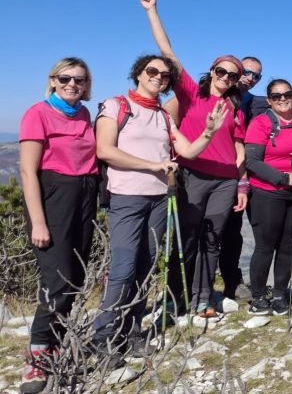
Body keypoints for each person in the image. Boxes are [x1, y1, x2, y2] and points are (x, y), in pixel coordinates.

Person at [91, 55, 226, 358]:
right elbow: (105, 150)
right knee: (123, 268)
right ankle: (104, 339)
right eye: (152, 71)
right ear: (138, 73)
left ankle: (131, 333)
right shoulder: (116, 106)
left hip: (160, 199)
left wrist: (209, 131)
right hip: (126, 197)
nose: (158, 77)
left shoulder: (164, 116)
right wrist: (153, 165)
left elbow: (187, 150)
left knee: (146, 267)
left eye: (165, 76)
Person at [141, 0, 248, 317]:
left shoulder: (235, 107)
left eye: (232, 75)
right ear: (212, 71)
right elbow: (168, 52)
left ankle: (203, 297)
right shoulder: (191, 92)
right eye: (221, 71)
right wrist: (152, 11)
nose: (226, 77)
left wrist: (240, 183)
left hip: (225, 181)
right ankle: (176, 298)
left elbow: (239, 147)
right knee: (185, 239)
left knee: (212, 241)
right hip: (193, 176)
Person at [18, 58, 99, 393]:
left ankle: (57, 345)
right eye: (65, 78)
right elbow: (27, 171)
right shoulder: (37, 113)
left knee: (75, 276)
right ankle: (36, 360)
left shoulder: (84, 114)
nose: (72, 85)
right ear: (53, 80)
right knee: (56, 280)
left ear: (86, 85)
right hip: (54, 197)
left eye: (79, 80)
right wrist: (38, 222)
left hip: (85, 194)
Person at [244, 79, 292, 316]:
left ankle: (280, 294)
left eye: (287, 94)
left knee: (288, 246)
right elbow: (252, 161)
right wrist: (283, 178)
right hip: (267, 192)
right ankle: (258, 297)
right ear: (269, 100)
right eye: (276, 96)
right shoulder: (261, 123)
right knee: (265, 246)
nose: (282, 99)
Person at [221, 55, 266, 303]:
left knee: (237, 233)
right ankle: (206, 285)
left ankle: (236, 283)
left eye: (256, 75)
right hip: (222, 172)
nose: (250, 77)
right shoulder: (216, 97)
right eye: (246, 71)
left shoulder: (260, 103)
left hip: (250, 174)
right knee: (222, 231)